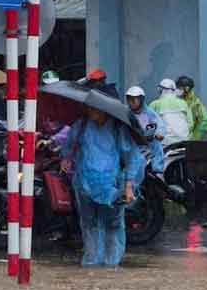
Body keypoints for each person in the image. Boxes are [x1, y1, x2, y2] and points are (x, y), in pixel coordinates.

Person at [61, 102, 144, 268]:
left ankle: (111, 264)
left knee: (112, 224)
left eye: (94, 108)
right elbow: (69, 146)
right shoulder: (81, 125)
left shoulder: (118, 129)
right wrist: (66, 159)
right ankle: (92, 262)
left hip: (111, 187)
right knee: (89, 224)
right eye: (89, 107)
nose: (91, 111)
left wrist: (128, 187)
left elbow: (132, 158)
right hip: (84, 184)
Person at [126, 86, 166, 174]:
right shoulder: (127, 114)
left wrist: (158, 133)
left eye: (134, 100)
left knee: (157, 146)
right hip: (133, 144)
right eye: (129, 99)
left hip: (148, 144)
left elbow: (159, 124)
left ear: (141, 100)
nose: (131, 102)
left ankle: (157, 171)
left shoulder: (149, 113)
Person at [150, 78, 192, 146]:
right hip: (184, 141)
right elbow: (190, 124)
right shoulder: (183, 103)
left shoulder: (155, 104)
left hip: (165, 144)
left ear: (160, 90)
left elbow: (147, 125)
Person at [176, 75, 207, 140]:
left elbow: (203, 121)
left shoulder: (195, 103)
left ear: (187, 88)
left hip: (192, 137)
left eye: (180, 88)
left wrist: (194, 138)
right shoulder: (178, 100)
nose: (177, 90)